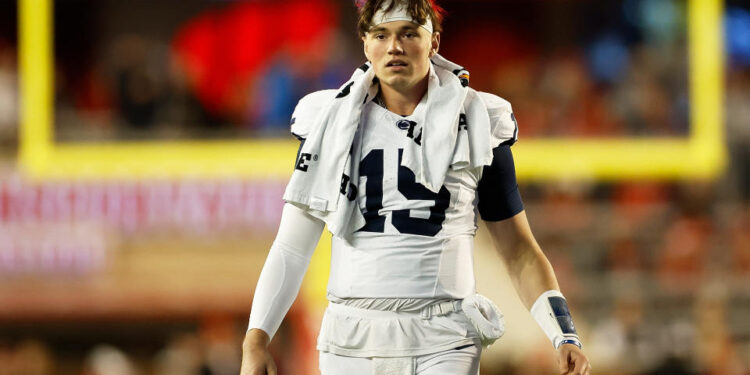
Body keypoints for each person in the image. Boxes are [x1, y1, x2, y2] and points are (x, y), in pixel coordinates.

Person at [241, 0, 592, 374]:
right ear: (365, 43)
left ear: (434, 42)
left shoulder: (477, 119)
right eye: (382, 34)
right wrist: (256, 339)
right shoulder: (328, 118)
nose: (395, 46)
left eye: (408, 33)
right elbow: (293, 247)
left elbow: (518, 250)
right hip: (352, 336)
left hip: (444, 334)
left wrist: (564, 333)